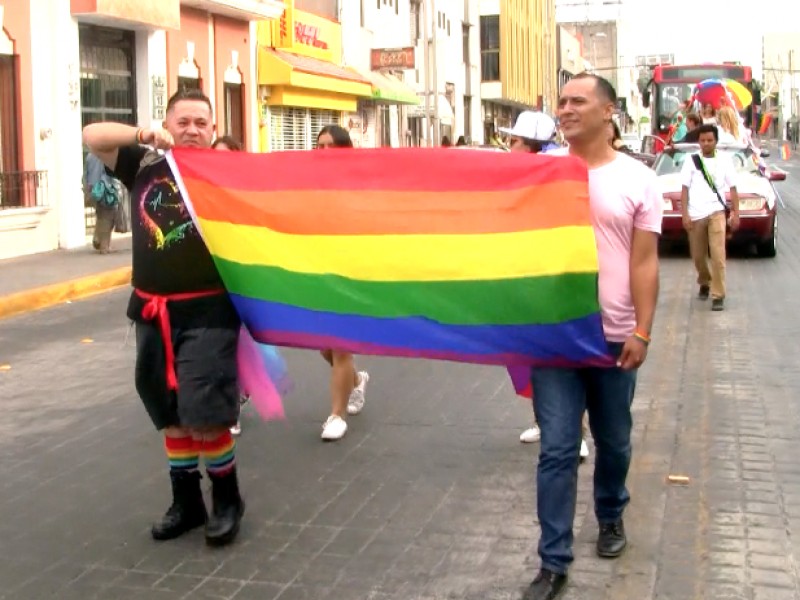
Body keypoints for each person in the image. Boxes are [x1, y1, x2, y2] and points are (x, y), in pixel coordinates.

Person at [82, 89, 245, 547]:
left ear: (213, 131)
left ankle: (228, 500)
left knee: (205, 414)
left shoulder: (225, 174)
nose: (192, 129)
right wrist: (141, 133)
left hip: (210, 311)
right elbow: (91, 136)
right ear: (169, 124)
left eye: (202, 122)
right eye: (183, 121)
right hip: (152, 311)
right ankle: (187, 503)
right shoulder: (144, 165)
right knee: (169, 414)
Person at [523, 74, 661, 600]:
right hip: (554, 338)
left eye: (578, 100)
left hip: (614, 336)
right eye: (561, 101)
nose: (566, 108)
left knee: (615, 440)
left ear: (608, 112)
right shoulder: (539, 175)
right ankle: (553, 561)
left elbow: (644, 262)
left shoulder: (638, 179)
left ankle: (610, 514)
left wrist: (642, 330)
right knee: (557, 449)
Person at [315, 125, 370, 441]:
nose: (324, 152)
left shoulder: (357, 184)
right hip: (321, 274)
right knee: (325, 348)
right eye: (319, 146)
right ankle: (357, 380)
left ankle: (336, 415)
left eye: (331, 146)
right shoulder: (310, 186)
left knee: (340, 346)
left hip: (351, 275)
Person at [680, 124, 740, 312]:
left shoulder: (725, 160)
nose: (706, 144)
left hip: (717, 213)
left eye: (710, 140)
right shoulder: (691, 160)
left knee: (718, 255)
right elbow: (684, 189)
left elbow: (733, 188)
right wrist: (685, 215)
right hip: (696, 214)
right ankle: (704, 281)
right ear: (698, 141)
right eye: (703, 140)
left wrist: (736, 213)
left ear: (716, 141)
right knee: (698, 256)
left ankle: (718, 295)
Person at [84, 152, 119, 254]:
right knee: (108, 216)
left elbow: (87, 173)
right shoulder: (102, 156)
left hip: (95, 188)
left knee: (101, 215)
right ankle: (104, 246)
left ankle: (99, 240)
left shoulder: (91, 156)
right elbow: (101, 173)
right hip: (104, 187)